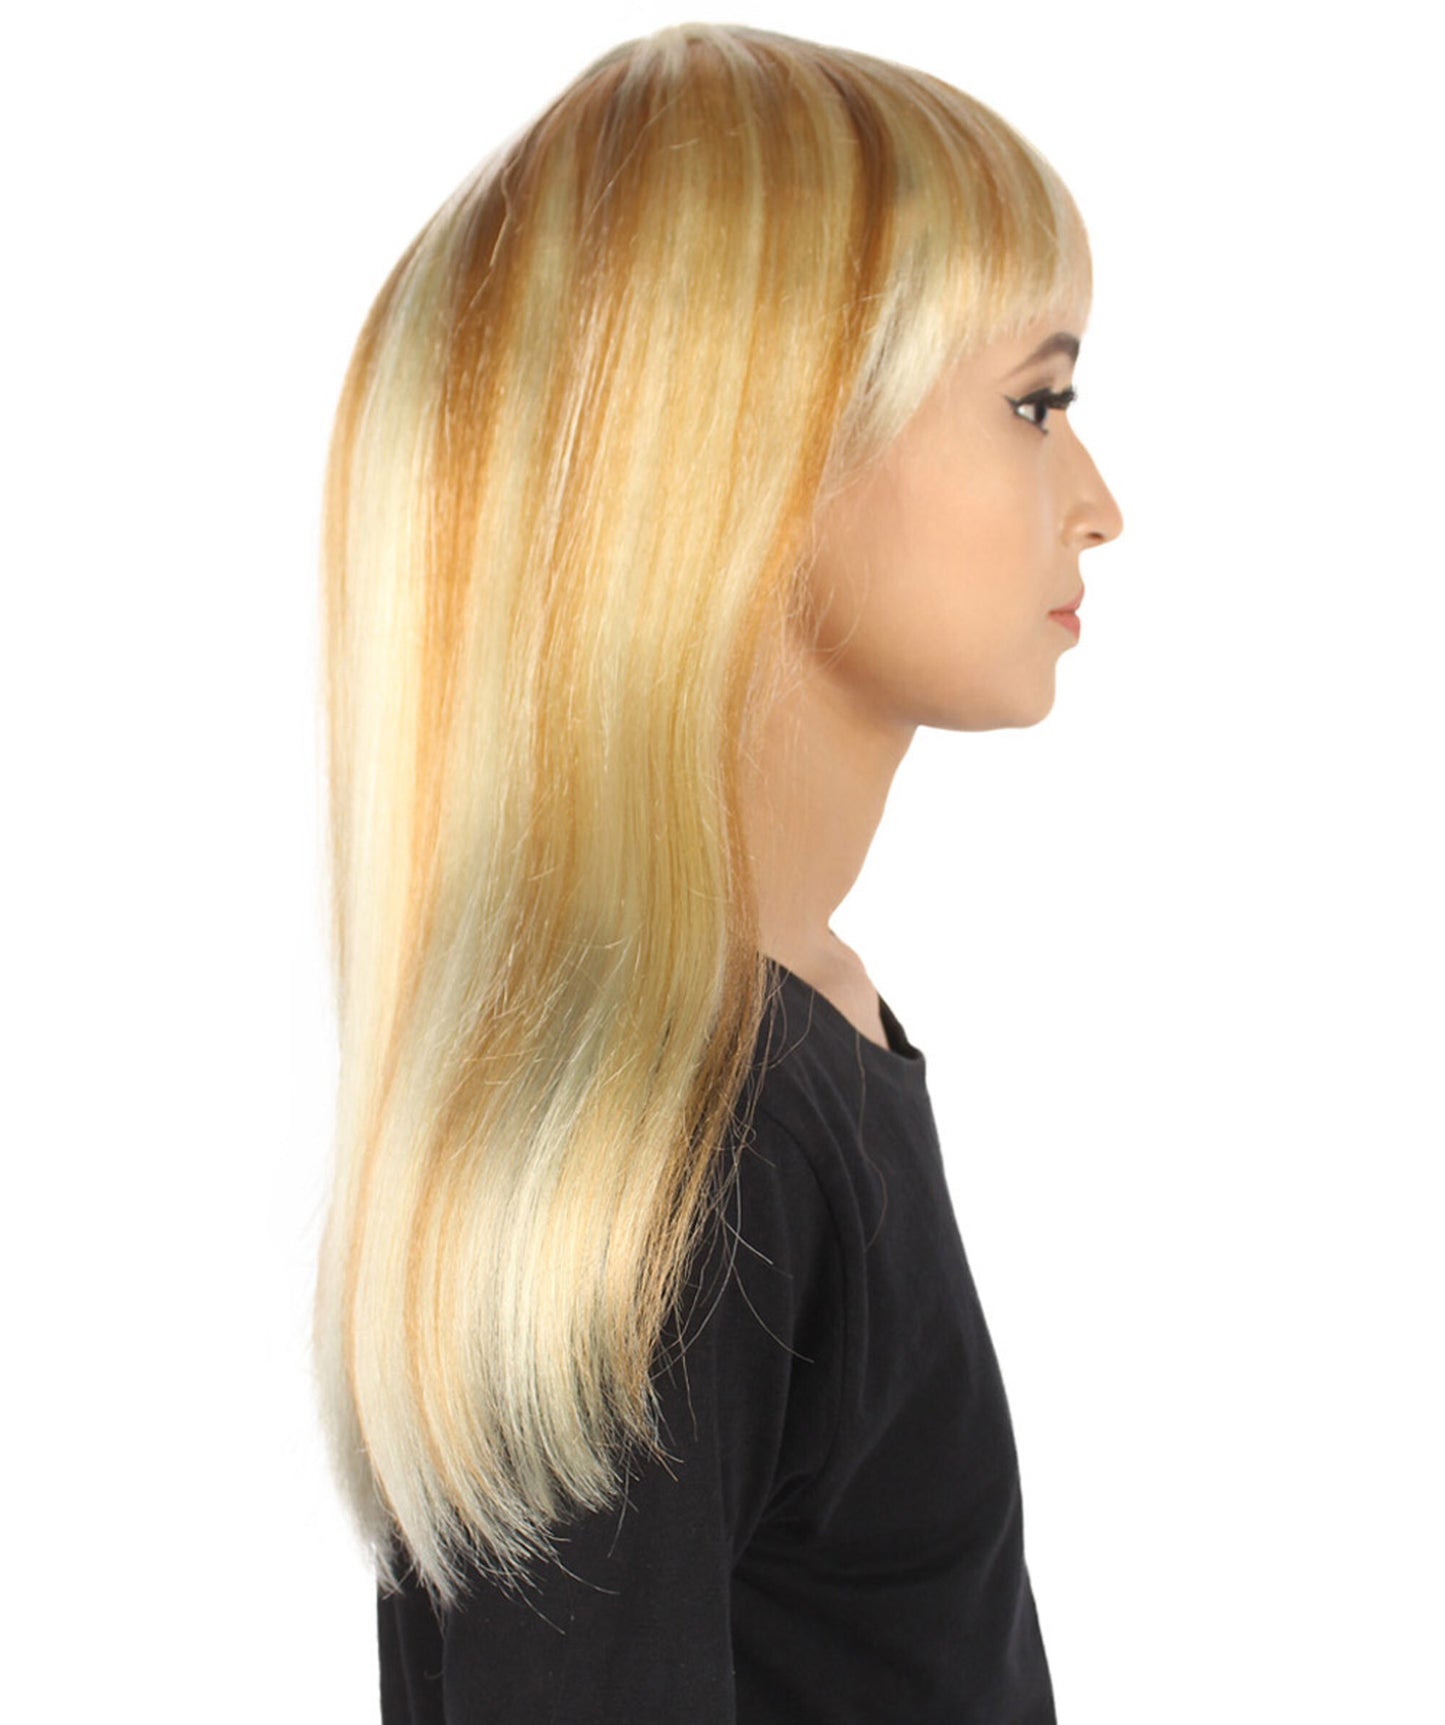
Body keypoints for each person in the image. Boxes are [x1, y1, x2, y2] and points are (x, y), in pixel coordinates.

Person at [310, 22, 1122, 1722]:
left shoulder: (795, 1032)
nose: (1097, 502)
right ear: (762, 450)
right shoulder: (682, 1141)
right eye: (1035, 404)